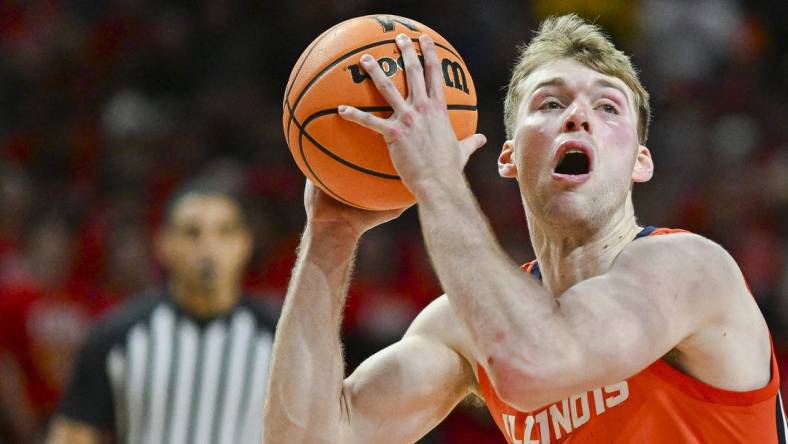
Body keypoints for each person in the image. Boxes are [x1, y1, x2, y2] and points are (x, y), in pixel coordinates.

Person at [263, 14, 784, 443]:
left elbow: (535, 364)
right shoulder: (468, 324)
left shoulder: (690, 268)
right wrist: (330, 236)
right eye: (550, 103)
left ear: (640, 161)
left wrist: (437, 181)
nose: (578, 116)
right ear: (509, 157)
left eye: (607, 105)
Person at [47, 183, 278, 444]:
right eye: (192, 233)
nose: (208, 246)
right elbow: (72, 434)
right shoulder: (115, 337)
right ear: (164, 243)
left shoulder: (281, 340)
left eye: (224, 232)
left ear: (245, 243)